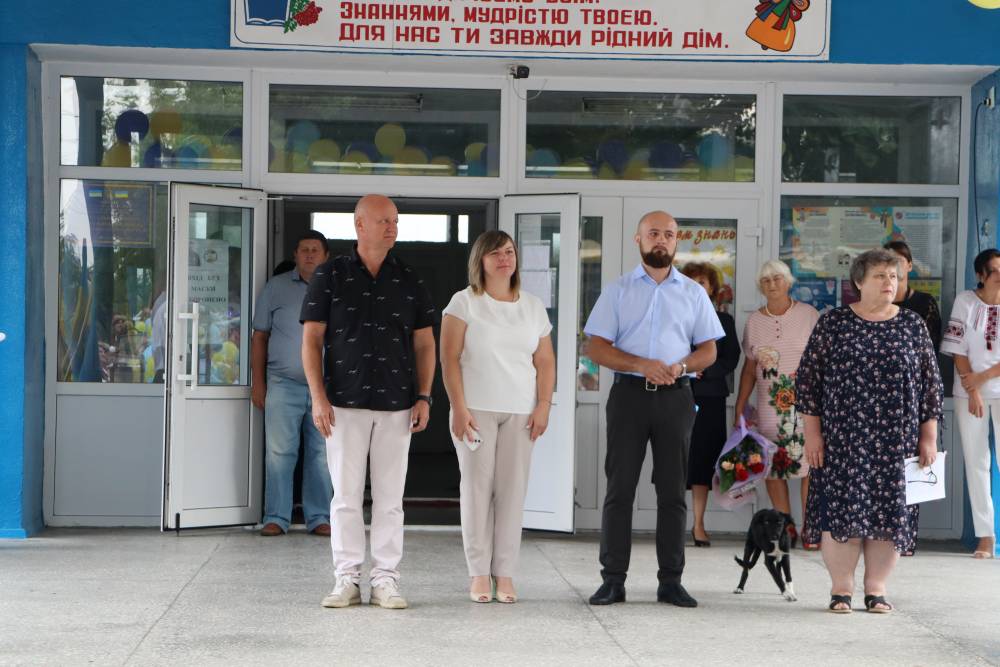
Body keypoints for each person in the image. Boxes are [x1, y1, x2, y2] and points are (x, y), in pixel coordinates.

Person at [302, 194, 438, 610]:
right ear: (360, 225)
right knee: (345, 497)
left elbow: (425, 343)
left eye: (395, 221)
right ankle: (347, 578)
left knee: (390, 499)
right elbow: (311, 340)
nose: (392, 227)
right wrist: (318, 398)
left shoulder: (409, 277)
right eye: (384, 221)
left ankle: (385, 580)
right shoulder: (330, 274)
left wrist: (424, 396)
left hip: (397, 404)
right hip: (342, 403)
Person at [583, 210, 724, 608]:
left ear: (676, 241)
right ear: (638, 239)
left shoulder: (693, 293)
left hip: (676, 398)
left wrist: (680, 366)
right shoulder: (618, 290)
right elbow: (596, 347)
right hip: (628, 397)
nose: (661, 240)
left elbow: (709, 350)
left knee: (672, 492)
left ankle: (671, 581)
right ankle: (613, 581)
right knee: (619, 490)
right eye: (653, 233)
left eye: (669, 234)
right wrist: (640, 364)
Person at [797, 249, 942, 613]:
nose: (888, 282)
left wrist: (928, 436)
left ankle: (876, 588)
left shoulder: (912, 324)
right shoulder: (834, 323)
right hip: (844, 439)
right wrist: (813, 434)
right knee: (842, 511)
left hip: (897, 441)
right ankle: (841, 589)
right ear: (859, 282)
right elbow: (809, 381)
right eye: (879, 276)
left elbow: (931, 385)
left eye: (893, 276)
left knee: (888, 514)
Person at [440, 230, 556, 603]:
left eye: (509, 251)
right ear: (481, 260)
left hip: (521, 412)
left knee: (512, 493)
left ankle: (504, 573)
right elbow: (449, 359)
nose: (504, 259)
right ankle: (478, 573)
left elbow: (545, 361)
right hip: (475, 410)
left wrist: (543, 404)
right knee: (476, 491)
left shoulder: (533, 306)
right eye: (495, 253)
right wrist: (458, 407)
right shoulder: (464, 303)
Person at [251, 230, 333, 537]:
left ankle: (320, 517)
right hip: (283, 384)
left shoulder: (337, 287)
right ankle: (276, 517)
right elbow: (260, 337)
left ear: (326, 256)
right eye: (303, 249)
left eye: (315, 250)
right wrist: (258, 383)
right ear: (295, 255)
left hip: (325, 389)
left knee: (321, 455)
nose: (309, 254)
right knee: (279, 453)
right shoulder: (276, 287)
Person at [733, 260, 819, 549]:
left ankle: (811, 530)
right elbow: (749, 369)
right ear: (760, 286)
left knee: (811, 466)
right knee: (773, 468)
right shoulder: (754, 322)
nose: (772, 284)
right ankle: (787, 529)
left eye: (777, 278)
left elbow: (823, 362)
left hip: (806, 406)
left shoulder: (809, 315)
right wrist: (740, 406)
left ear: (788, 282)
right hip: (769, 408)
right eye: (766, 280)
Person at [940, 248, 1000, 559]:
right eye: (995, 271)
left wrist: (982, 378)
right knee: (977, 463)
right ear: (981, 275)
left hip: (992, 386)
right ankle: (985, 537)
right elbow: (956, 346)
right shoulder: (965, 301)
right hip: (968, 393)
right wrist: (972, 387)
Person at [681, 262, 741, 548]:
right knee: (675, 458)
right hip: (677, 394)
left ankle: (698, 524)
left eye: (702, 282)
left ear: (712, 288)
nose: (697, 287)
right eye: (691, 281)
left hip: (711, 399)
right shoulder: (675, 317)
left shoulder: (723, 321)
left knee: (703, 461)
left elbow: (731, 358)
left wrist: (707, 369)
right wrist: (688, 370)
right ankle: (670, 523)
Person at [884, 240, 942, 350]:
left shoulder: (926, 303)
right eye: (889, 261)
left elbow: (931, 349)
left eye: (899, 260)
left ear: (910, 266)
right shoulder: (875, 302)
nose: (894, 266)